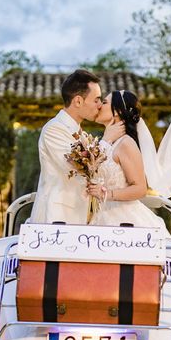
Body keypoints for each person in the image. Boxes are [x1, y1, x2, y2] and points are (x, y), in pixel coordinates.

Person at [28, 69, 125, 224]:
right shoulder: (54, 130)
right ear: (78, 101)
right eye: (96, 100)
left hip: (80, 220)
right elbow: (79, 169)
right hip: (57, 219)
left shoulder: (82, 134)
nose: (100, 105)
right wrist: (106, 140)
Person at [86, 90, 171, 238]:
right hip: (101, 216)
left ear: (117, 111)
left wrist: (106, 193)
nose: (99, 105)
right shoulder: (107, 142)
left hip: (123, 220)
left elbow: (140, 189)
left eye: (105, 102)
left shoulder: (126, 143)